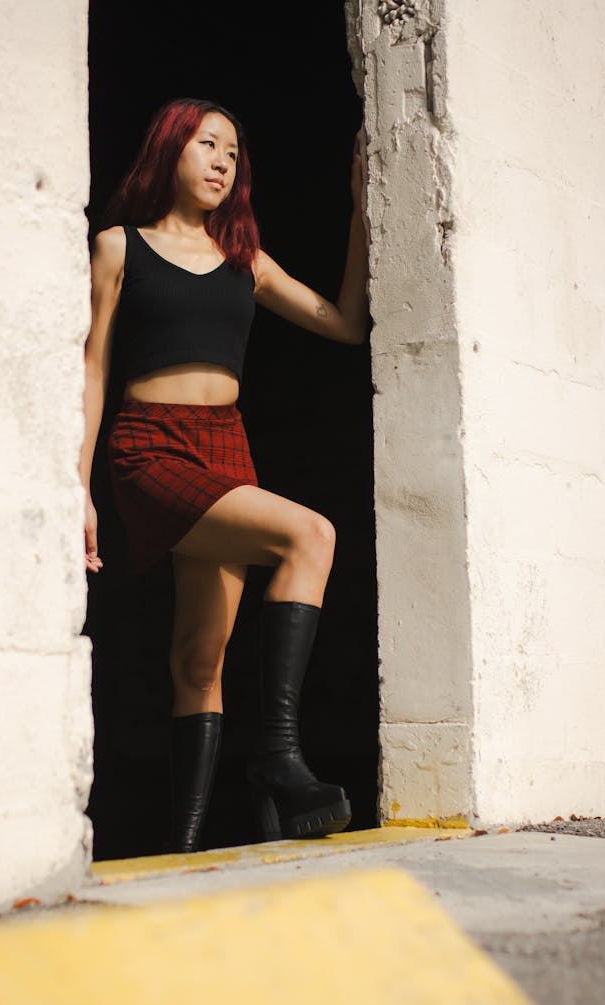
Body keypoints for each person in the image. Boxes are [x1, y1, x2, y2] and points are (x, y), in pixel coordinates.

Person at [82, 96, 369, 854]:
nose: (220, 161)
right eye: (207, 144)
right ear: (169, 147)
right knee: (310, 534)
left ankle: (186, 847)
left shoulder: (245, 261)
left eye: (233, 153)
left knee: (198, 661)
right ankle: (279, 755)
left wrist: (362, 209)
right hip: (150, 446)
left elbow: (342, 322)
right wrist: (78, 489)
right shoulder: (120, 248)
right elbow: (91, 372)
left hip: (225, 446)